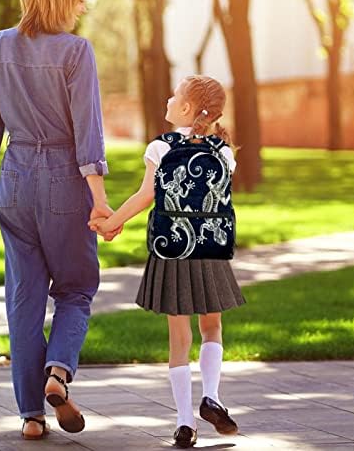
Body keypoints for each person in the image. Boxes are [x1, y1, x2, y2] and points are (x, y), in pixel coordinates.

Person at [0, 0, 120, 440]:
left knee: (25, 298)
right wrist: (99, 199)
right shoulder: (76, 52)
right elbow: (87, 133)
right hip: (64, 180)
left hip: (13, 178)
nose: (83, 4)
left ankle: (31, 415)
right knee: (76, 289)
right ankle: (58, 372)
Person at [89, 75, 246, 448]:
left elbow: (146, 195)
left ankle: (184, 422)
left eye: (174, 95)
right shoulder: (225, 152)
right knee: (212, 328)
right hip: (210, 250)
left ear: (187, 109)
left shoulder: (160, 147)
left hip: (171, 249)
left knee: (179, 338)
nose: (168, 99)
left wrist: (111, 223)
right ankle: (213, 396)